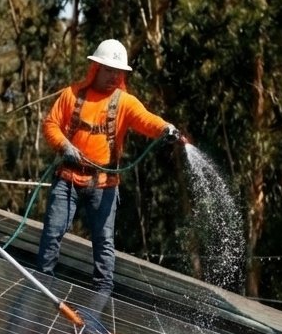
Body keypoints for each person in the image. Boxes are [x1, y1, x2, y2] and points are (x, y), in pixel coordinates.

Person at [37, 39, 181, 294]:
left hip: (104, 184)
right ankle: (41, 282)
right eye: (108, 70)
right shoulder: (72, 94)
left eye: (118, 72)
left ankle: (103, 293)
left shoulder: (124, 102)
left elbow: (146, 120)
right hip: (68, 178)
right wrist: (64, 145)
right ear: (95, 68)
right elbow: (51, 124)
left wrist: (165, 128)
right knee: (53, 231)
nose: (114, 76)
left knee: (104, 241)